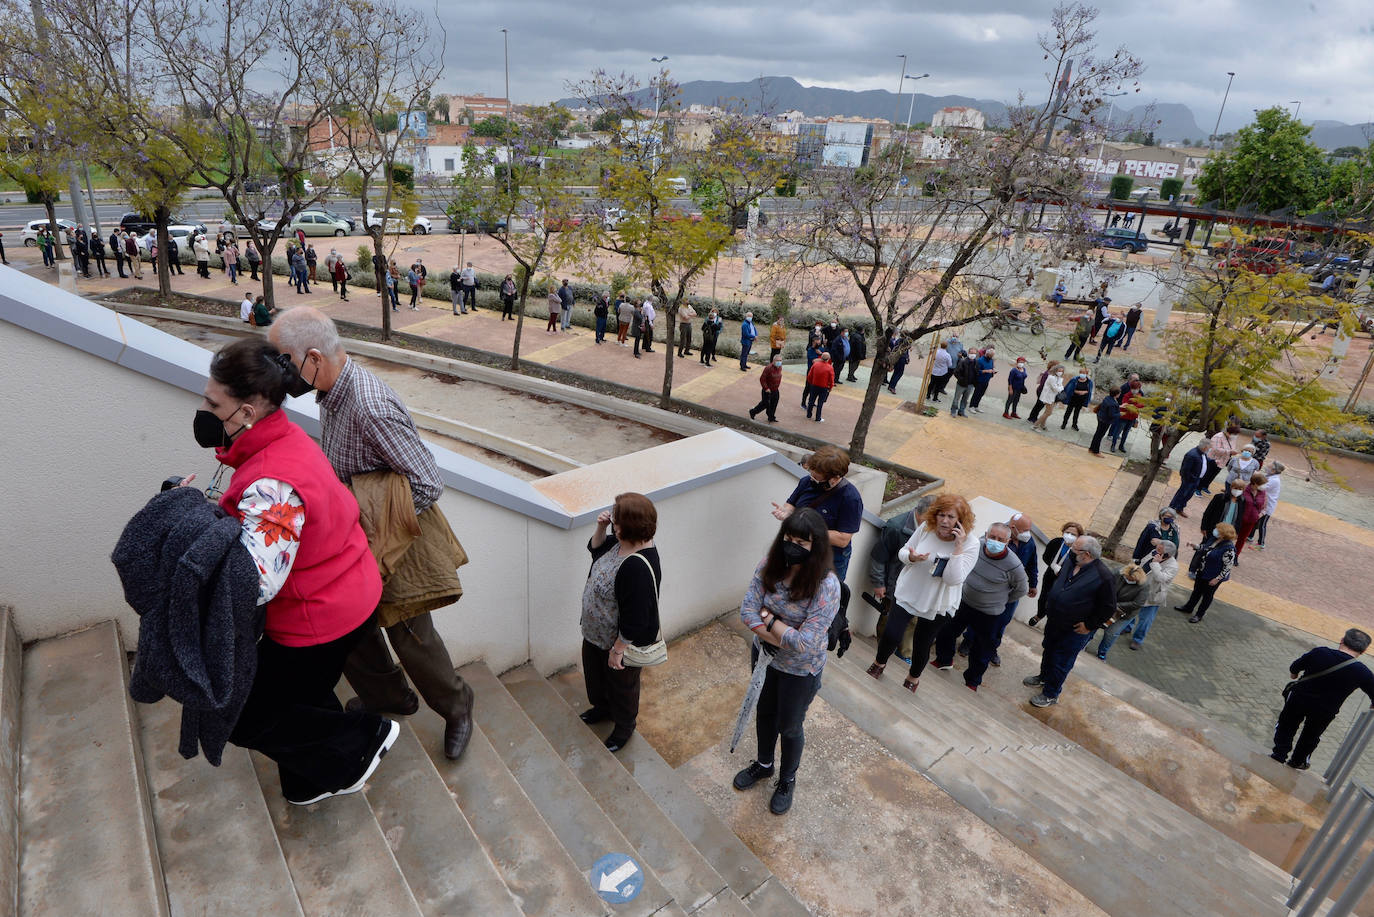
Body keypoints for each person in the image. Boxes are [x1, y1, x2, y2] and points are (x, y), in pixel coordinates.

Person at [189, 338, 398, 805]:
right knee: (297, 696)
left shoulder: (271, 484)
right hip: (345, 591)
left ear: (244, 413)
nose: (201, 408)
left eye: (211, 402)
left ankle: (362, 743)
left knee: (241, 712)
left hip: (320, 616)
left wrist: (189, 531)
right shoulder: (281, 438)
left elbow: (254, 582)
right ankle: (307, 783)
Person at [269, 307, 476, 761]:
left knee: (411, 637)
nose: (281, 374)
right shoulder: (333, 394)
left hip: (393, 544)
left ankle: (458, 706)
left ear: (314, 358)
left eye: (285, 362)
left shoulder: (368, 405)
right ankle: (390, 699)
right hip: (355, 540)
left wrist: (372, 526)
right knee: (351, 628)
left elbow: (426, 481)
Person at [736, 508, 841, 815]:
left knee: (790, 725)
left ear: (816, 546)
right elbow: (746, 612)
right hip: (766, 660)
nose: (792, 545)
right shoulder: (770, 565)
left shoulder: (826, 586)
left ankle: (787, 779)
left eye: (801, 542)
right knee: (765, 713)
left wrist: (767, 620)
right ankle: (765, 764)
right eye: (788, 537)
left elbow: (805, 644)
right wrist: (781, 631)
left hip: (800, 670)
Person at [866, 494, 978, 692]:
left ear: (961, 520)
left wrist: (957, 548)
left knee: (922, 643)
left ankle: (913, 677)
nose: (944, 521)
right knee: (892, 633)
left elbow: (953, 579)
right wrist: (911, 556)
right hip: (911, 589)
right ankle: (879, 663)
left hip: (938, 600)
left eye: (951, 517)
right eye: (941, 515)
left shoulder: (971, 543)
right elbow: (903, 552)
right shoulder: (927, 528)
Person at [579, 493, 661, 754]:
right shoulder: (619, 542)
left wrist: (618, 650)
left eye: (616, 518)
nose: (612, 520)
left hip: (617, 642)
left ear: (628, 525)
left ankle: (624, 726)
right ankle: (602, 709)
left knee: (622, 687)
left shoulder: (638, 565)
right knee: (595, 678)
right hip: (594, 634)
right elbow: (595, 549)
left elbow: (637, 617)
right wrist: (601, 527)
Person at [933, 523, 1029, 691]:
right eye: (992, 537)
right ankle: (943, 660)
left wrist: (1000, 600)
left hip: (990, 613)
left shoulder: (1014, 565)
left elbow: (1021, 590)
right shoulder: (976, 546)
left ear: (1007, 542)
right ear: (986, 534)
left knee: (981, 648)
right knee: (946, 630)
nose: (995, 541)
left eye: (1000, 539)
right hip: (964, 601)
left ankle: (972, 680)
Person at [1023, 535, 1115, 707]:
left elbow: (1108, 607)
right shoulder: (1072, 562)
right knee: (1048, 651)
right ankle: (1044, 677)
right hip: (1055, 621)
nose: (1070, 550)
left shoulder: (1104, 577)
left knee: (1061, 661)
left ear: (1086, 554)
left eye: (1074, 549)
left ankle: (1051, 694)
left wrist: (1089, 625)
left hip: (1074, 630)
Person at [1272, 629, 1374, 770]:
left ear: (1342, 640)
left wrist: (1294, 675)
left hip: (1299, 699)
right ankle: (1296, 762)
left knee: (1286, 725)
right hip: (1325, 710)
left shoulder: (1320, 652)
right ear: (1363, 651)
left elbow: (1294, 668)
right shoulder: (1363, 672)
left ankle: (1279, 755)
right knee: (1311, 736)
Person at [770, 445, 864, 581]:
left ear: (835, 478)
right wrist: (786, 512)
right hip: (799, 548)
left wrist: (808, 530)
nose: (812, 479)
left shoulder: (850, 498)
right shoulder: (806, 482)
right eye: (811, 474)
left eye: (817, 478)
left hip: (829, 556)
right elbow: (791, 504)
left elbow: (843, 539)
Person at [867, 497, 933, 665]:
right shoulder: (896, 527)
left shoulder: (933, 531)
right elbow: (879, 557)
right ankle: (882, 651)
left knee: (913, 621)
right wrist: (879, 583)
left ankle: (904, 654)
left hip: (918, 587)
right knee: (889, 619)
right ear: (921, 514)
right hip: (894, 585)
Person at [1098, 542, 1178, 656]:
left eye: (1159, 551)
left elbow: (1161, 578)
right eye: (1156, 549)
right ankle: (1128, 627)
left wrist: (1155, 564)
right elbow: (1142, 564)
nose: (1155, 552)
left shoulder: (1173, 566)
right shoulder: (1154, 553)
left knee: (1145, 620)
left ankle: (1137, 640)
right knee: (1132, 612)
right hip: (1137, 588)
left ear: (1167, 555)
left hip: (1152, 596)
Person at [1175, 523, 1236, 623]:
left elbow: (1227, 567)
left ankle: (1199, 614)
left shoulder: (1229, 548)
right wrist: (1195, 546)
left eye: (1218, 529)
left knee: (1207, 596)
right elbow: (1206, 548)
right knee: (1196, 591)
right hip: (1202, 571)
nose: (1215, 530)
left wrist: (1217, 579)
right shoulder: (1214, 539)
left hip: (1213, 576)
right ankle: (1188, 607)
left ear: (1223, 533)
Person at [1027, 522, 1085, 627]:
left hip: (1064, 580)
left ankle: (1043, 618)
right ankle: (1040, 614)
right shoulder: (1056, 542)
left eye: (1073, 534)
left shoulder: (1079, 550)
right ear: (1063, 532)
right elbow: (1046, 556)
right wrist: (1053, 566)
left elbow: (1079, 566)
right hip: (1050, 574)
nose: (1069, 536)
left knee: (1053, 599)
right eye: (1068, 532)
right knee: (1043, 597)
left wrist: (1064, 571)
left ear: (1079, 537)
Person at [1232, 472, 1267, 563]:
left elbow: (1264, 505)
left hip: (1251, 521)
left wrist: (1260, 514)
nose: (1263, 486)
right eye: (1261, 484)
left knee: (1242, 539)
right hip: (1238, 520)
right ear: (1254, 483)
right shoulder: (1244, 490)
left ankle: (1235, 556)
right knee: (1231, 536)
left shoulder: (1262, 492)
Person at [1199, 422, 1241, 495]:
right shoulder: (1218, 436)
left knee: (1213, 474)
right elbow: (1215, 449)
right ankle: (1198, 488)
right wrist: (1229, 451)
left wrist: (1233, 451)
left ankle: (1205, 486)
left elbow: (1232, 447)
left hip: (1223, 460)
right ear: (1228, 432)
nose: (1235, 436)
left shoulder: (1232, 439)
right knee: (1206, 474)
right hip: (1212, 459)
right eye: (1234, 434)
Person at [1169, 441, 1209, 517]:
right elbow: (1185, 469)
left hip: (1197, 479)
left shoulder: (1203, 453)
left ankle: (1179, 509)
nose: (1209, 449)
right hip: (1190, 480)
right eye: (1208, 448)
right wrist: (1190, 478)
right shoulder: (1192, 455)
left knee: (1188, 495)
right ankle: (1171, 510)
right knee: (1181, 494)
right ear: (1205, 447)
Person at [1253, 461, 1284, 549]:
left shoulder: (1275, 480)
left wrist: (1255, 476)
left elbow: (1261, 487)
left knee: (1262, 524)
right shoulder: (1270, 476)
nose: (1266, 467)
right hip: (1262, 503)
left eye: (1269, 467)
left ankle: (1261, 543)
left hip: (1268, 505)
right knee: (1255, 521)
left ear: (1274, 471)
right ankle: (1250, 536)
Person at [1111, 377, 1142, 452]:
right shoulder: (1127, 395)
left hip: (1132, 418)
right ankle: (1113, 445)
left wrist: (1132, 406)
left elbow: (1142, 405)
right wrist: (1132, 406)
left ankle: (1121, 446)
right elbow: (1125, 405)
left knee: (1126, 433)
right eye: (1134, 388)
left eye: (1137, 389)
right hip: (1124, 417)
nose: (1135, 390)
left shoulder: (1139, 396)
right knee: (1117, 432)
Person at [1030, 364, 1065, 430]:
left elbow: (1059, 387)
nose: (1060, 372)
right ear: (1055, 370)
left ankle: (1043, 425)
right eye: (1059, 371)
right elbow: (1056, 388)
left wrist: (1060, 387)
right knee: (1048, 412)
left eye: (1062, 371)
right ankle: (1035, 425)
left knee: (1047, 412)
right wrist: (1061, 387)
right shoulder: (1051, 377)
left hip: (1052, 397)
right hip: (1048, 397)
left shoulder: (1059, 378)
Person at [1088, 386, 1121, 455]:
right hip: (1105, 421)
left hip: (1100, 417)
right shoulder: (1112, 403)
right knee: (1100, 435)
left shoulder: (1108, 398)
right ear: (1116, 394)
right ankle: (1096, 451)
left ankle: (1092, 448)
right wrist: (1119, 414)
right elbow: (1111, 415)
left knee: (1097, 434)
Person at [749, 356, 783, 423]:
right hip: (768, 390)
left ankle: (771, 417)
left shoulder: (780, 367)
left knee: (774, 403)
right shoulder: (768, 368)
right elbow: (762, 379)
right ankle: (753, 412)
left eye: (780, 360)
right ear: (773, 361)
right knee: (765, 404)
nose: (779, 362)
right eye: (777, 360)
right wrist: (766, 388)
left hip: (775, 389)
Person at [804, 352, 835, 422]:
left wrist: (811, 383)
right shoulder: (830, 368)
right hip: (823, 387)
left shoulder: (815, 365)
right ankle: (818, 417)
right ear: (828, 359)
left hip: (814, 386)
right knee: (820, 403)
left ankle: (809, 414)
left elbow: (809, 376)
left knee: (811, 401)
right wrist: (830, 388)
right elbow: (831, 379)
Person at [949, 348, 978, 418]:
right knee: (956, 398)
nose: (973, 355)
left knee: (965, 399)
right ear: (968, 353)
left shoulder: (976, 363)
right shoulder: (963, 362)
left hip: (970, 385)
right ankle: (953, 411)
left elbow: (976, 373)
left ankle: (961, 411)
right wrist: (961, 379)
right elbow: (956, 372)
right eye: (971, 353)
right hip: (961, 384)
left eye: (974, 353)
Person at [969, 347, 996, 412]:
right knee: (976, 393)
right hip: (979, 380)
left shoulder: (991, 360)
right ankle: (971, 406)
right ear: (987, 354)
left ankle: (976, 406)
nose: (991, 357)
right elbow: (977, 371)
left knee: (981, 394)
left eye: (992, 356)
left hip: (986, 380)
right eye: (990, 356)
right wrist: (986, 371)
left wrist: (993, 371)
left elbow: (991, 368)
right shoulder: (980, 360)